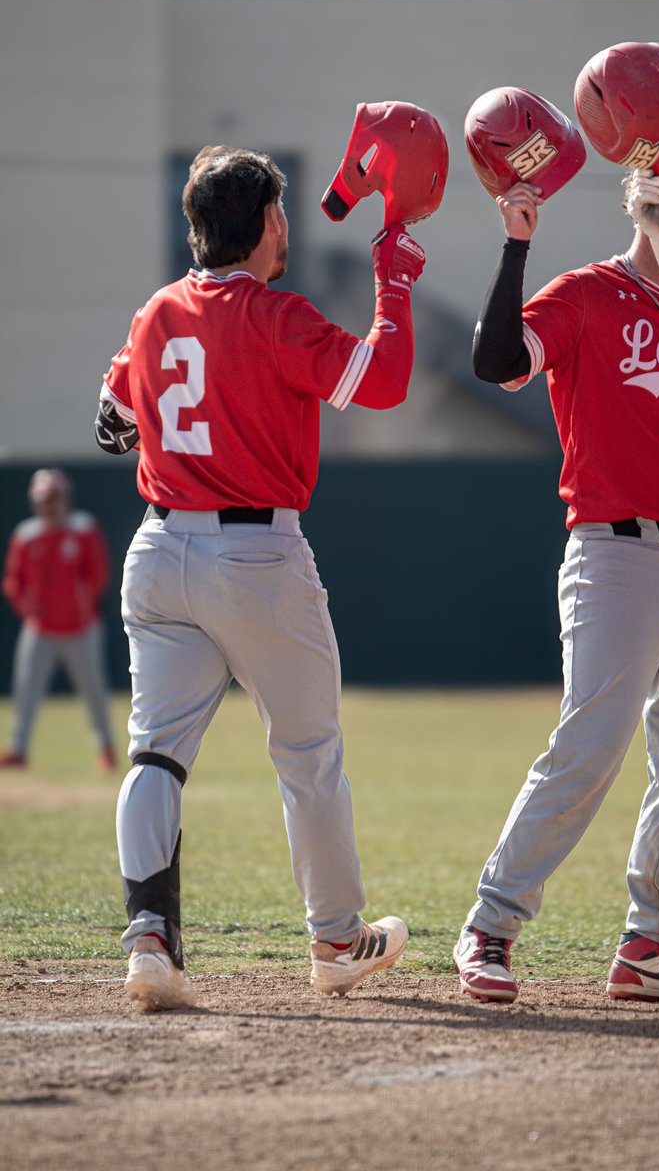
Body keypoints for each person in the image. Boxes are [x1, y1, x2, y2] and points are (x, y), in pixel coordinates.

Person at [95, 145, 426, 1010]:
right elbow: (385, 382)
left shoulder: (155, 313)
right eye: (283, 213)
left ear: (195, 225)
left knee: (157, 755)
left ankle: (149, 943)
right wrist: (394, 286)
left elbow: (110, 424)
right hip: (257, 556)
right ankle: (336, 940)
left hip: (160, 552)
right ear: (271, 223)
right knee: (309, 755)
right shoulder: (281, 318)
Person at [452, 166, 659, 1005]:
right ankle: (491, 924)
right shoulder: (587, 294)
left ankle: (652, 942)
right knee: (591, 744)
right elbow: (495, 359)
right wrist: (516, 243)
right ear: (639, 204)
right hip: (617, 553)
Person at [1, 468, 116, 773]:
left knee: (93, 690)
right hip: (39, 629)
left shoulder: (83, 529)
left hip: (82, 628)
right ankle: (18, 750)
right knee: (25, 689)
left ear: (65, 500)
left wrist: (83, 603)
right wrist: (28, 609)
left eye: (54, 500)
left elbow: (99, 573)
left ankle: (106, 749)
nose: (49, 507)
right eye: (44, 501)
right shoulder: (26, 536)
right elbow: (14, 581)